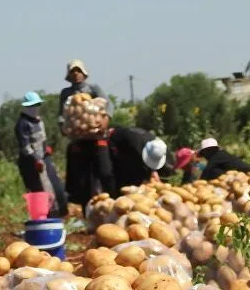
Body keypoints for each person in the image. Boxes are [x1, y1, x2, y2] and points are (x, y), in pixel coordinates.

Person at [58, 60, 114, 207]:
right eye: (73, 71)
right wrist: (62, 126)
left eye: (78, 71)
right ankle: (87, 211)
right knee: (82, 180)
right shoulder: (66, 93)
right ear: (69, 75)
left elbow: (108, 105)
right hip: (78, 140)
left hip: (97, 138)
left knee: (105, 173)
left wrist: (105, 120)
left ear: (84, 73)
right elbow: (61, 115)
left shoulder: (93, 88)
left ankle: (111, 204)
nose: (76, 74)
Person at [16, 92, 67, 217]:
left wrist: (46, 148)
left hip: (45, 158)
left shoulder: (38, 120)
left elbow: (41, 138)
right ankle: (48, 217)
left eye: (37, 104)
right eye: (32, 105)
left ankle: (60, 212)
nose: (35, 108)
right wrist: (36, 159)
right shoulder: (22, 124)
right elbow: (25, 147)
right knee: (41, 189)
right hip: (31, 162)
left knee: (56, 186)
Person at [106, 127, 173, 194]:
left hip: (136, 141)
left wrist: (153, 171)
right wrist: (145, 178)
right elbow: (138, 166)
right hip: (114, 141)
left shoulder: (160, 148)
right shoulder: (135, 149)